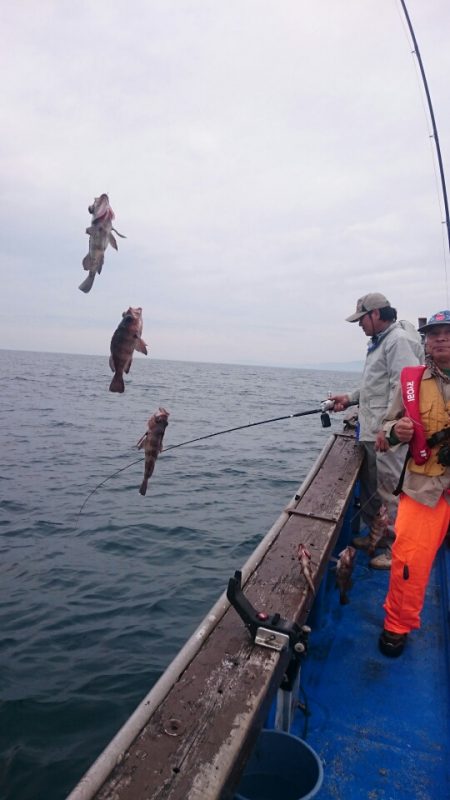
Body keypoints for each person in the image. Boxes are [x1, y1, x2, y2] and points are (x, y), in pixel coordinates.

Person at [331, 292, 424, 569]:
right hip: (371, 431)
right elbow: (375, 385)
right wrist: (349, 397)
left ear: (376, 314)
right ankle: (377, 535)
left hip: (387, 434)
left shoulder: (398, 341)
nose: (360, 325)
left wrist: (388, 426)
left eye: (362, 319)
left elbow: (403, 387)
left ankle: (396, 550)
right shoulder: (378, 343)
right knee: (374, 488)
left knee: (390, 491)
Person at [377, 310, 450, 657]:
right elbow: (385, 431)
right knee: (408, 562)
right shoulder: (411, 381)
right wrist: (396, 432)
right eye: (433, 333)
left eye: (448, 333)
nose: (440, 338)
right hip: (424, 486)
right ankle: (397, 625)